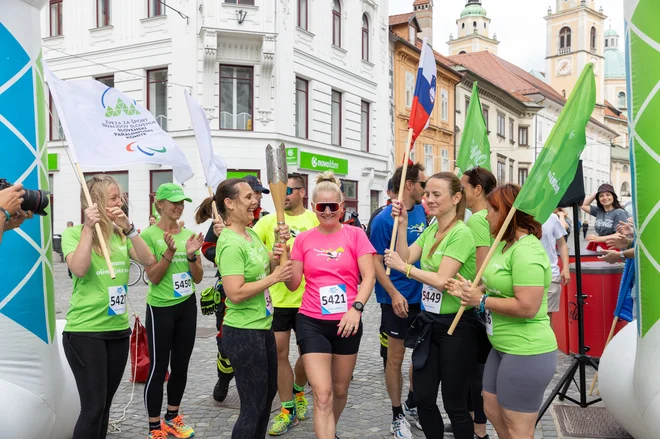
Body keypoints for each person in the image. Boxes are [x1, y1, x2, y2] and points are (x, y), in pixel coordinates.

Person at [447, 184, 558, 439]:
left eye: (490, 211)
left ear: (507, 212)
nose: (486, 217)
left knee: (518, 426)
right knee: (492, 409)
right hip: (502, 346)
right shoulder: (503, 245)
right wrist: (469, 289)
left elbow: (528, 306)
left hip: (527, 349)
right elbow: (496, 283)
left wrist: (481, 300)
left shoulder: (527, 250)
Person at [383, 172, 480, 439]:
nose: (430, 199)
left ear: (456, 197)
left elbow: (440, 280)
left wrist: (404, 268)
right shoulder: (431, 229)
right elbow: (407, 256)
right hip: (430, 323)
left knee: (454, 404)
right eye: (428, 194)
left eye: (437, 194)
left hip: (458, 326)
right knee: (423, 398)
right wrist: (402, 226)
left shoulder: (461, 233)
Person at [61, 175, 154, 439]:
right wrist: (89, 229)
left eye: (121, 197)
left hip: (117, 330)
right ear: (96, 202)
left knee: (104, 408)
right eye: (114, 197)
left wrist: (130, 228)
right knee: (92, 409)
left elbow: (148, 260)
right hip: (85, 332)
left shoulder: (121, 236)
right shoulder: (74, 234)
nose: (120, 202)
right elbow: (78, 269)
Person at [285, 171, 376, 439]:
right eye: (321, 207)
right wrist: (282, 258)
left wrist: (356, 309)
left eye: (332, 206)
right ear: (313, 208)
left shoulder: (355, 235)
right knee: (322, 395)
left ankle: (329, 430)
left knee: (339, 391)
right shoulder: (302, 240)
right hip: (311, 321)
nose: (327, 212)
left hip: (348, 322)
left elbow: (369, 276)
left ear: (341, 207)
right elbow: (292, 285)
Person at [215, 178, 293, 439]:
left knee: (266, 398)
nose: (255, 201)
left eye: (255, 197)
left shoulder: (249, 235)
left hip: (262, 326)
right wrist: (275, 277)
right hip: (242, 331)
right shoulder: (229, 243)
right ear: (229, 203)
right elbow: (234, 292)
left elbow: (266, 266)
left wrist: (277, 252)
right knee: (252, 406)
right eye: (248, 197)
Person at [252, 174, 319, 435]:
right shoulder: (268, 221)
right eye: (281, 190)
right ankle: (287, 407)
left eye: (289, 190)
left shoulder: (313, 220)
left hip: (309, 300)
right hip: (279, 300)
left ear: (302, 192)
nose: (285, 195)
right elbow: (250, 246)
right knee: (280, 354)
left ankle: (299, 389)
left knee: (309, 356)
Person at [141, 183, 204, 439]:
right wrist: (169, 252)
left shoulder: (189, 234)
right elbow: (153, 277)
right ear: (160, 204)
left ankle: (172, 416)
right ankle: (154, 426)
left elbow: (198, 278)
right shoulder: (148, 236)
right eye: (173, 202)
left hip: (187, 306)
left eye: (182, 202)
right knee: (158, 367)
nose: (179, 207)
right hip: (161, 309)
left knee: (181, 365)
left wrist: (191, 256)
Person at [369, 164, 427, 438]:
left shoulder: (423, 213)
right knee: (395, 359)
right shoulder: (383, 219)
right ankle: (396, 415)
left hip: (423, 300)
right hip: (396, 301)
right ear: (409, 185)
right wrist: (393, 293)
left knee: (422, 359)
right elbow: (375, 263)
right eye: (422, 184)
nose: (425, 190)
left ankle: (413, 404)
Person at [460, 166, 497, 439]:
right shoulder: (488, 216)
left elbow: (482, 266)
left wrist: (473, 293)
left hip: (474, 303)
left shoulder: (477, 219)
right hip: (482, 302)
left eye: (463, 187)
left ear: (477, 189)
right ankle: (474, 422)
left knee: (474, 368)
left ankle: (478, 428)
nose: (460, 192)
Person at [194, 199, 234, 403]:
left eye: (259, 194)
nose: (256, 198)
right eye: (252, 193)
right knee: (225, 338)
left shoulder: (263, 219)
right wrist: (226, 255)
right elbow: (207, 247)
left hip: (259, 289)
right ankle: (224, 379)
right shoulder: (222, 219)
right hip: (227, 287)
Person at [365, 177, 395, 371]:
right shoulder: (380, 216)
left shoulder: (419, 213)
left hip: (411, 286)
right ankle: (386, 359)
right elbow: (372, 250)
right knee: (386, 328)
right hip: (386, 285)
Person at [540, 212, 570, 326]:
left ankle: (547, 344)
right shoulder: (518, 214)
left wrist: (565, 268)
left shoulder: (551, 217)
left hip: (550, 275)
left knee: (546, 320)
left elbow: (562, 244)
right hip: (524, 274)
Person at [580, 183, 629, 251]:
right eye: (601, 196)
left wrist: (598, 239)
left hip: (615, 249)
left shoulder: (619, 213)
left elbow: (620, 235)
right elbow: (582, 205)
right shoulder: (599, 211)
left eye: (608, 195)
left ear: (613, 197)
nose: (605, 198)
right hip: (600, 247)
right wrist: (596, 193)